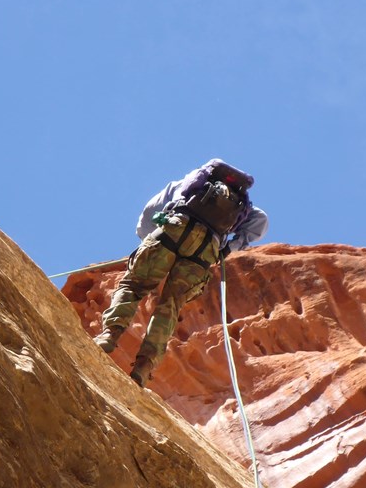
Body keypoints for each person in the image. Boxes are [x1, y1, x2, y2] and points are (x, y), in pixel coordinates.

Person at [94, 158, 268, 386]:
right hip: (206, 249)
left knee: (133, 285)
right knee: (170, 306)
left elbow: (148, 215)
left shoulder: (186, 184)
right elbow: (261, 222)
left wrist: (149, 238)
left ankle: (110, 335)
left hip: (173, 229)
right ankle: (144, 367)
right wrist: (227, 248)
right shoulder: (241, 205)